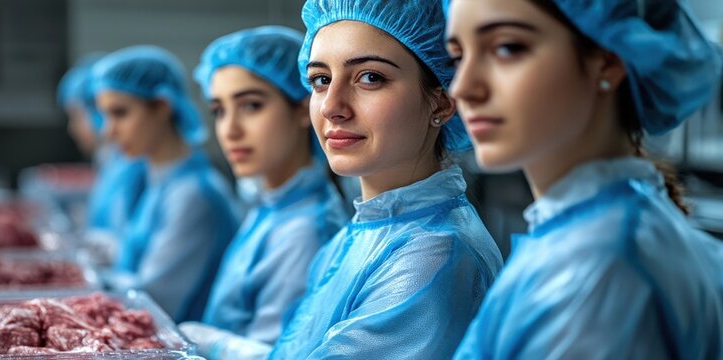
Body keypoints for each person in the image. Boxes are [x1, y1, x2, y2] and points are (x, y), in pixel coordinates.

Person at [444, 0, 723, 358]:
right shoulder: (603, 234)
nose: (462, 88)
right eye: (458, 57)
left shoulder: (597, 274)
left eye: (506, 48)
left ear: (608, 58)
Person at [268, 0, 504, 358]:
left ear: (442, 103)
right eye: (321, 80)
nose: (332, 105)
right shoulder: (362, 234)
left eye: (370, 77)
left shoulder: (432, 254)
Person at [178, 26, 349, 359]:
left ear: (303, 109)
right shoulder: (271, 204)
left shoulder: (305, 232)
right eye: (219, 110)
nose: (230, 130)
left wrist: (210, 343)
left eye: (251, 105)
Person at [92, 45, 241, 322]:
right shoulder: (161, 179)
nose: (108, 131)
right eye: (105, 116)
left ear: (161, 106)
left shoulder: (193, 194)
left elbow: (154, 301)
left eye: (120, 113)